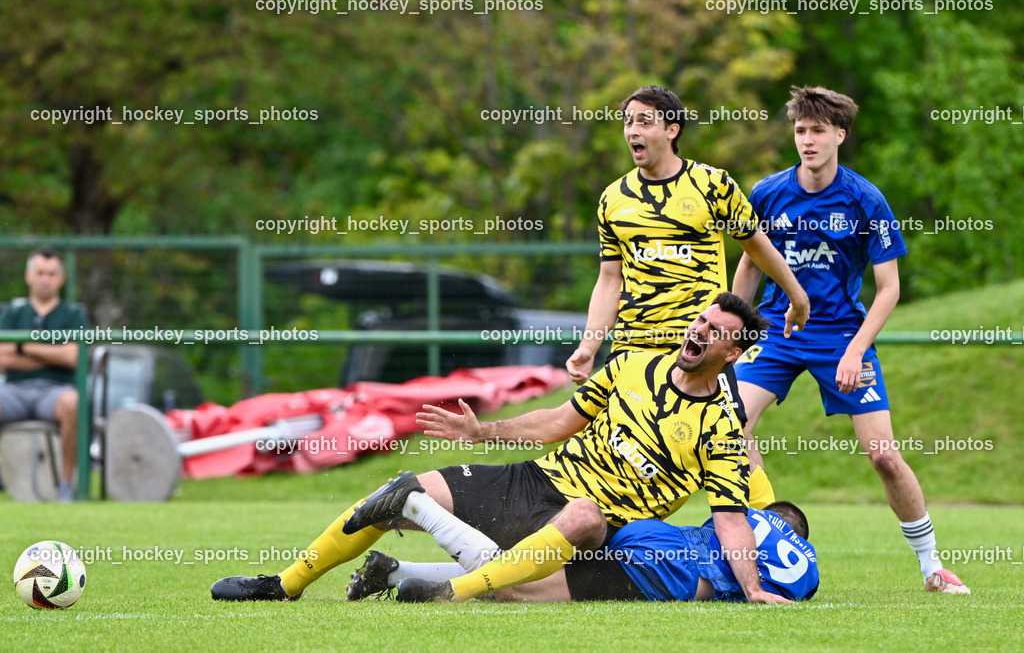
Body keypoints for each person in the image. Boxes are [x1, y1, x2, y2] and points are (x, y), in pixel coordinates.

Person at [212, 293, 789, 604]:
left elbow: (731, 520)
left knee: (585, 515)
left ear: (732, 354)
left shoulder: (722, 430)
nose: (699, 331)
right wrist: (481, 433)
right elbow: (557, 422)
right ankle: (284, 585)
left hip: (593, 529)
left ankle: (445, 593)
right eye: (700, 321)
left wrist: (755, 588)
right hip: (533, 481)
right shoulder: (635, 364)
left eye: (715, 332)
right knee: (400, 490)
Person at [731, 85, 969, 594]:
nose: (808, 140)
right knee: (731, 427)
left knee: (883, 454)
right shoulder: (768, 194)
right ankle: (763, 531)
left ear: (840, 134)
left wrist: (856, 349)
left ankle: (933, 567)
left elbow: (889, 288)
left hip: (842, 338)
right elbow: (749, 264)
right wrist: (737, 331)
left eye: (818, 131)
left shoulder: (865, 199)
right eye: (800, 131)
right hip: (775, 333)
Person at [565, 85, 810, 508]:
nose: (632, 131)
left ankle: (769, 534)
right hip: (632, 350)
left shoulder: (712, 185)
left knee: (733, 439)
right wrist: (590, 346)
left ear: (672, 129)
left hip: (699, 345)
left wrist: (796, 295)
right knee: (605, 448)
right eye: (627, 122)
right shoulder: (612, 198)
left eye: (644, 121)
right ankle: (584, 541)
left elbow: (756, 245)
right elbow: (609, 280)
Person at [347, 501, 818, 604]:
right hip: (664, 572)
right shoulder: (805, 566)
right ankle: (420, 507)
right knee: (518, 591)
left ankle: (393, 571)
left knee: (530, 570)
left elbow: (729, 517)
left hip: (652, 536)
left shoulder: (755, 515)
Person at [0, 247, 88, 502]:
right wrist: (52, 354)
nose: (45, 279)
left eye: (51, 273)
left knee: (73, 403)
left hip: (55, 392)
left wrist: (24, 346)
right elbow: (1, 358)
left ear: (61, 278)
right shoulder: (12, 314)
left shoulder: (74, 315)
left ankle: (65, 485)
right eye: (40, 272)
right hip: (14, 392)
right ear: (28, 276)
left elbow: (73, 357)